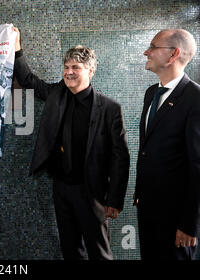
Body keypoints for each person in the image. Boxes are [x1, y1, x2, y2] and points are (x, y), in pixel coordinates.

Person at [12, 27, 129, 260]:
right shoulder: (56, 93)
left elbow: (120, 158)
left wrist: (115, 199)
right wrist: (17, 48)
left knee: (99, 252)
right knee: (71, 249)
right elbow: (27, 79)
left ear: (90, 70)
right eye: (66, 67)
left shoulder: (110, 108)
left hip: (93, 191)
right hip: (62, 187)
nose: (69, 72)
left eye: (75, 67)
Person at [134, 29, 200, 260]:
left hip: (176, 219)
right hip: (148, 210)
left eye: (153, 47)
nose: (146, 52)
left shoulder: (195, 99)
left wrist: (190, 224)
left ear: (174, 55)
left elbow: (198, 167)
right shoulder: (151, 93)